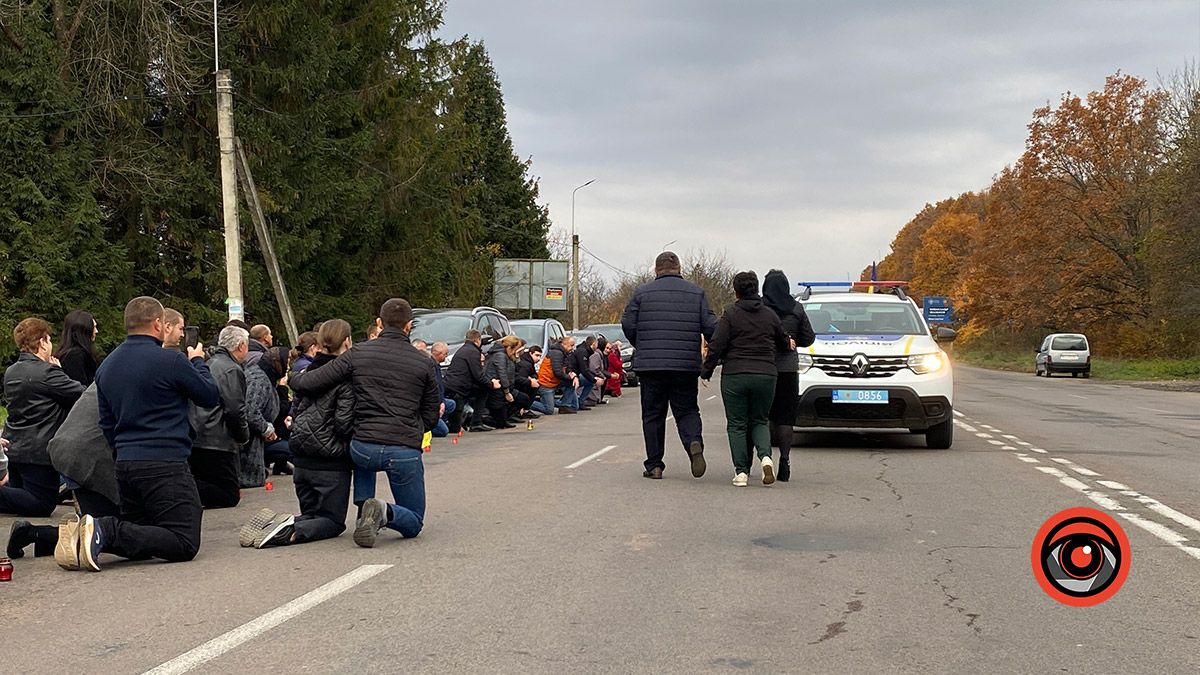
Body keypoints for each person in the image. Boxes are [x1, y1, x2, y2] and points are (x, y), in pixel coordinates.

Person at [58, 296, 219, 572]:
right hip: (165, 462)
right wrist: (198, 362)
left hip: (125, 463)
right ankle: (105, 529)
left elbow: (107, 422)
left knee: (142, 533)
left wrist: (123, 451)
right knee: (183, 541)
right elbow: (209, 395)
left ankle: (91, 535)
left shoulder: (107, 365)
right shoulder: (170, 360)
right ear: (158, 324)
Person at [289, 298, 440, 548]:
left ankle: (364, 508)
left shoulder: (358, 353)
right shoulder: (424, 362)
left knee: (363, 450)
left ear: (379, 323)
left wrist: (292, 377)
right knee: (414, 521)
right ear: (409, 326)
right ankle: (383, 511)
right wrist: (409, 429)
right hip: (402, 449)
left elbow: (314, 381)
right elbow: (431, 416)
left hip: (363, 448)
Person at [242, 320, 356, 548]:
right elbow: (343, 423)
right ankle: (290, 529)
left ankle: (283, 523)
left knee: (313, 514)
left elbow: (294, 411)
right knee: (333, 522)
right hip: (329, 460)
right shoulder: (345, 379)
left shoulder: (304, 374)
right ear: (347, 342)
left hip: (302, 458)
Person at [621, 251, 717, 480]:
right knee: (687, 410)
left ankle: (654, 465)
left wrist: (641, 344)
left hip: (651, 366)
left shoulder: (641, 293)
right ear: (679, 268)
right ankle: (694, 442)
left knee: (653, 414)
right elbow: (711, 327)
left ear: (656, 270)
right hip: (684, 365)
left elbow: (628, 323)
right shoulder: (697, 293)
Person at [8, 383, 121, 561]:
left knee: (101, 527)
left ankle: (40, 537)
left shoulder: (111, 373)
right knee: (112, 531)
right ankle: (34, 534)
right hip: (87, 455)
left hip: (65, 448)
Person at [701, 271, 792, 487]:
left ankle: (741, 472)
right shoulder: (770, 315)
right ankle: (766, 458)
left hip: (735, 375)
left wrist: (706, 371)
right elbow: (782, 341)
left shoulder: (730, 315)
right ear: (757, 289)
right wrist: (787, 342)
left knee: (737, 424)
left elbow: (717, 345)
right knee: (759, 420)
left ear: (736, 291)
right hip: (765, 375)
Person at [0, 318, 85, 516]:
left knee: (18, 498)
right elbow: (81, 393)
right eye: (48, 339)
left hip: (15, 446)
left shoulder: (11, 372)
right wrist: (59, 371)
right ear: (42, 342)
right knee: (42, 503)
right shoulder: (47, 373)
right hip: (38, 451)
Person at [187, 326, 251, 508]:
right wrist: (242, 435)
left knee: (213, 485)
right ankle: (179, 491)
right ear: (241, 346)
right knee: (228, 494)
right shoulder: (231, 369)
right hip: (216, 438)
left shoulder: (211, 363)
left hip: (200, 432)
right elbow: (235, 409)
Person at [762, 269, 815, 482]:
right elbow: (809, 338)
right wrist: (792, 342)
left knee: (761, 418)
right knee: (785, 418)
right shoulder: (797, 309)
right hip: (788, 370)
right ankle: (785, 461)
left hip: (763, 367)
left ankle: (764, 459)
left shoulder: (761, 309)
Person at [244, 346, 291, 486]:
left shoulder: (266, 378)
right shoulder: (261, 380)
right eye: (286, 362)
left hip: (257, 438)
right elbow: (251, 411)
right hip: (250, 442)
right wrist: (266, 429)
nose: (288, 367)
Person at [444, 330, 500, 433]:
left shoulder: (463, 349)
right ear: (478, 340)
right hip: (459, 388)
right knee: (484, 390)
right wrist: (491, 384)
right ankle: (476, 423)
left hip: (454, 384)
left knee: (481, 390)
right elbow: (478, 375)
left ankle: (474, 421)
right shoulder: (473, 352)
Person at [484, 336, 531, 428]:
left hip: (505, 387)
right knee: (499, 419)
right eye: (515, 350)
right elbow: (502, 373)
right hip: (498, 389)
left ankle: (504, 419)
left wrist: (516, 356)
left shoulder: (506, 355)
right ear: (509, 348)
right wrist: (507, 391)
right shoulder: (500, 356)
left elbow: (514, 369)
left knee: (523, 399)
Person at [55, 310, 100, 386]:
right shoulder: (74, 356)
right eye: (94, 327)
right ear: (84, 330)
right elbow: (80, 389)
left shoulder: (77, 354)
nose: (96, 331)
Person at [536, 336, 580, 415]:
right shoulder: (557, 353)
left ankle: (564, 406)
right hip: (546, 383)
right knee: (549, 410)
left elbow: (568, 367)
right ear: (564, 344)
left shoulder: (564, 353)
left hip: (554, 381)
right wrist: (570, 377)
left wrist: (574, 376)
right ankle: (528, 404)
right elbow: (558, 372)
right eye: (571, 345)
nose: (573, 348)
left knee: (572, 384)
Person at [428, 342, 456, 437]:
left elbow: (440, 387)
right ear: (439, 354)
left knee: (451, 404)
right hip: (431, 403)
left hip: (438, 400)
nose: (446, 356)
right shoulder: (431, 366)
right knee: (443, 431)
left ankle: (440, 419)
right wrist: (439, 403)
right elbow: (434, 388)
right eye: (445, 354)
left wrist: (442, 401)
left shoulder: (436, 365)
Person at [515, 344, 545, 414]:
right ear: (531, 353)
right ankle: (524, 410)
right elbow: (520, 380)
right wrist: (530, 381)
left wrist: (533, 378)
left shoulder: (528, 362)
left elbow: (533, 373)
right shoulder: (526, 364)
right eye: (537, 355)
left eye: (540, 356)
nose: (538, 358)